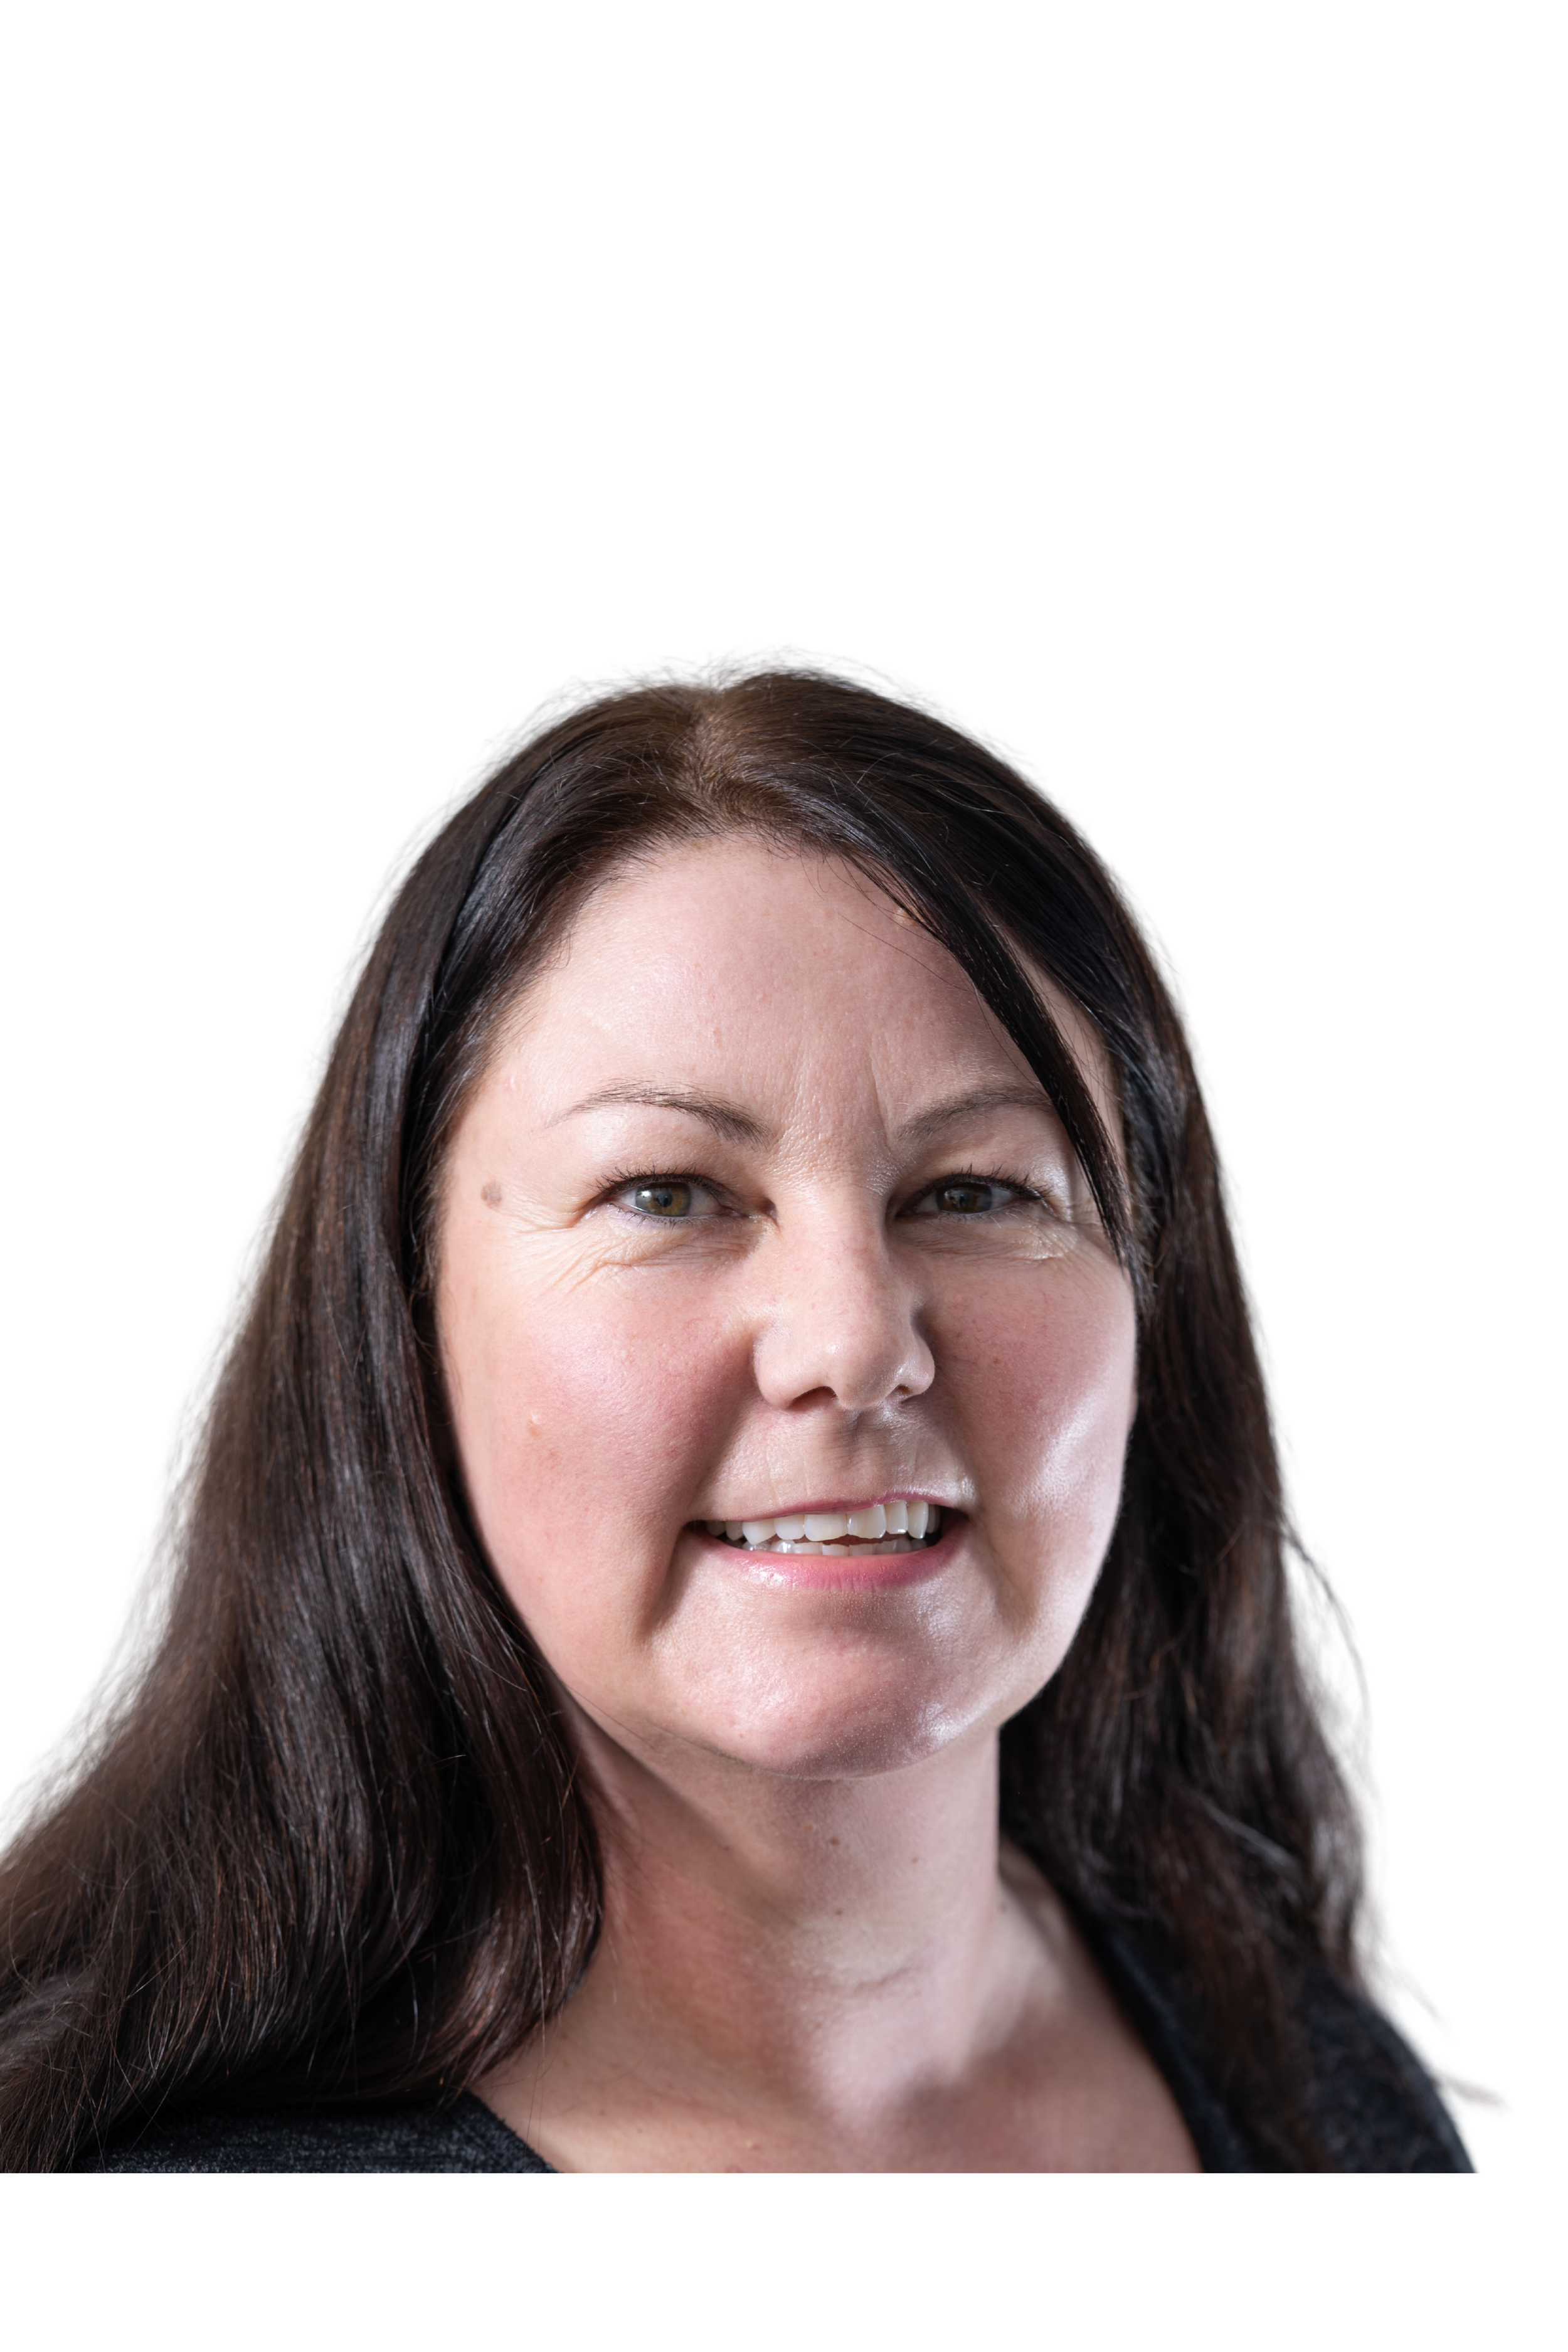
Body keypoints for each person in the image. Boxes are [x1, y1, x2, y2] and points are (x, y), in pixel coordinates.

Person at [0, 670, 1468, 2171]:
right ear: (403, 1313)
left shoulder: (1313, 2089)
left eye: (976, 1192)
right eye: (666, 1195)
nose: (851, 1344)